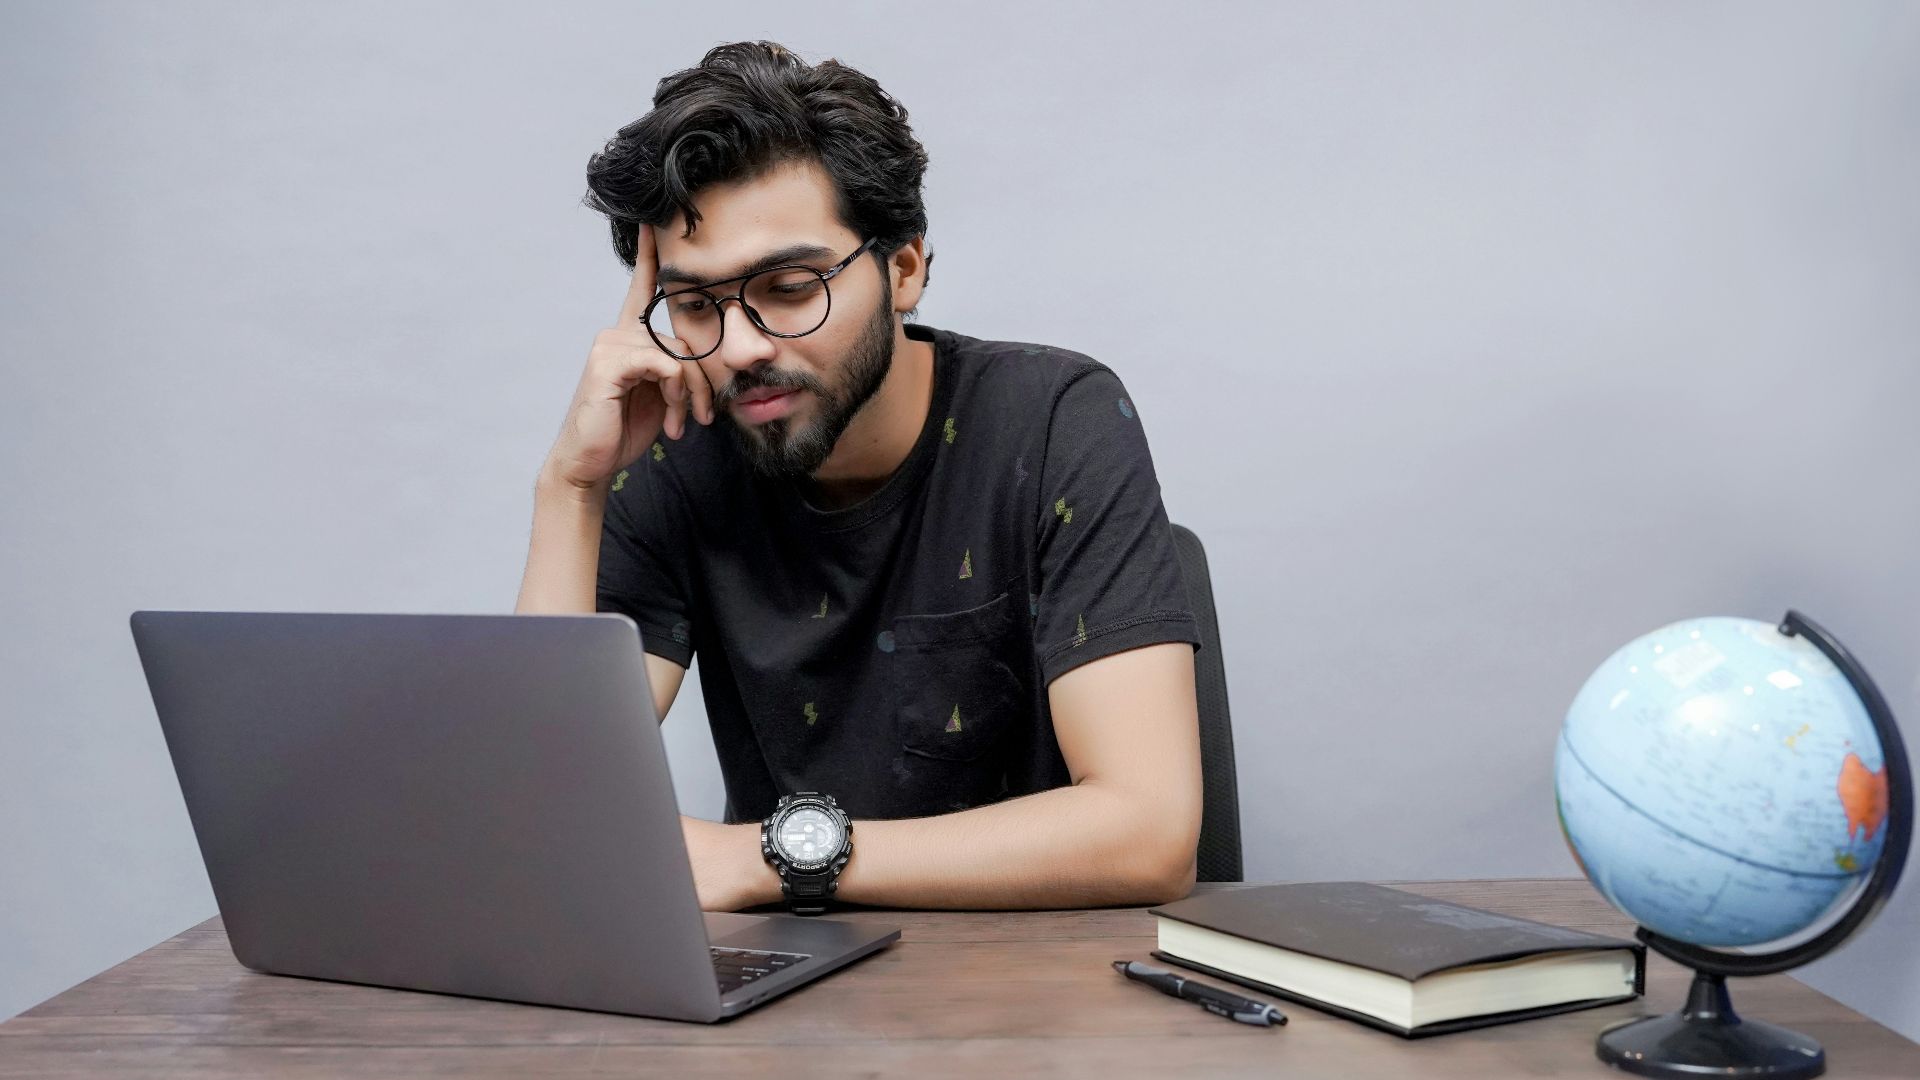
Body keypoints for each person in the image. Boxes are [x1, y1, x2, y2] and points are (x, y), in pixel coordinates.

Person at [516, 40, 1203, 913]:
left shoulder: (1051, 417)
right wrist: (570, 489)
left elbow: (1150, 833)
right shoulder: (678, 447)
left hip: (1030, 970)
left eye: (790, 286)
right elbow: (535, 810)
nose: (739, 348)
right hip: (785, 975)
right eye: (694, 305)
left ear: (904, 268)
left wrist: (764, 860)